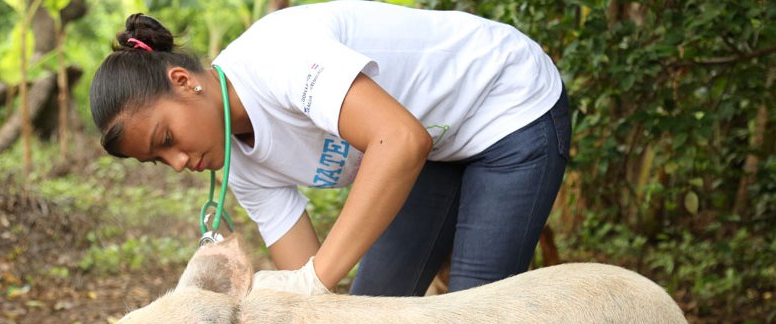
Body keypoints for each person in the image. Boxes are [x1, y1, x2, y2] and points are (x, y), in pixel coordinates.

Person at [89, 1, 571, 297]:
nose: (177, 164)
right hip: (436, 147)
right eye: (158, 160)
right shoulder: (236, 162)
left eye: (166, 140)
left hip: (507, 104)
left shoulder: (278, 58)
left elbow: (400, 140)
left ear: (183, 81)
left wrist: (315, 280)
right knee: (374, 308)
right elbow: (307, 280)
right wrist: (297, 297)